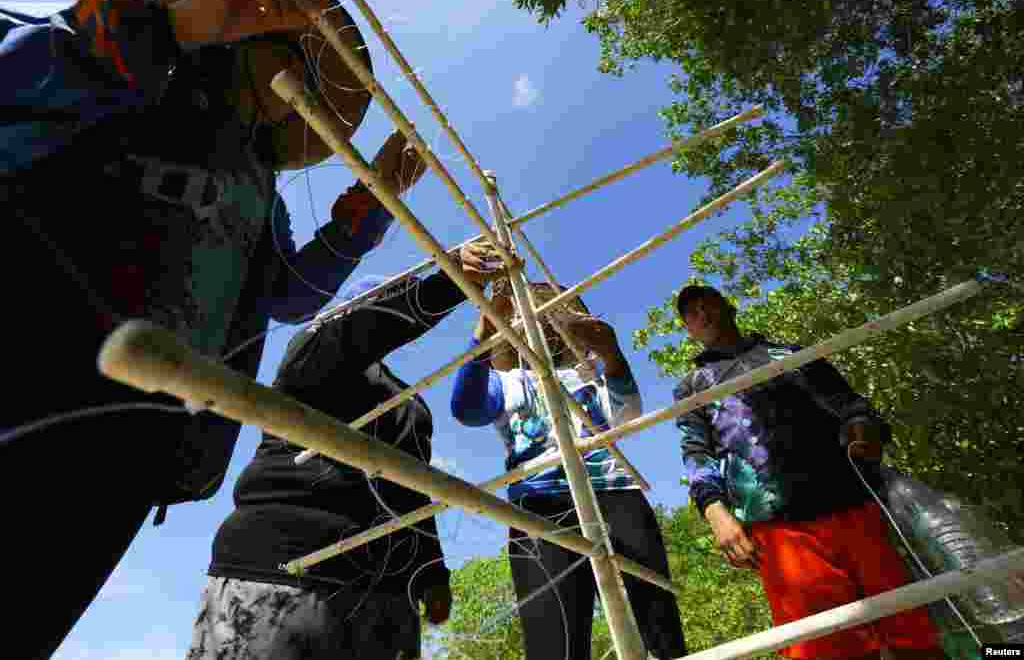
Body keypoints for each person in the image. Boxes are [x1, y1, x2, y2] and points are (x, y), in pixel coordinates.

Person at [0, 0, 427, 657]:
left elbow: (285, 294)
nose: (305, 85)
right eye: (293, 52)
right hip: (26, 377)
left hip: (138, 443)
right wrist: (170, 30)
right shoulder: (125, 63)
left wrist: (365, 211)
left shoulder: (260, 184)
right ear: (242, 33)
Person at [186, 240, 505, 660]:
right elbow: (361, 330)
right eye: (387, 299)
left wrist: (431, 574)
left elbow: (411, 486)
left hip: (386, 593)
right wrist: (448, 284)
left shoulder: (408, 403)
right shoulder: (313, 349)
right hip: (280, 569)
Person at [673, 284, 943, 660]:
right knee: (825, 648)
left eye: (708, 304)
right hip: (780, 528)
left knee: (912, 634)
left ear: (728, 306)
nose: (702, 314)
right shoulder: (692, 388)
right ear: (689, 329)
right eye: (691, 313)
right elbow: (696, 453)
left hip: (854, 503)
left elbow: (852, 405)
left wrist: (863, 429)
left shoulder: (791, 354)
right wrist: (717, 514)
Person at [450, 280, 688, 660]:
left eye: (552, 314)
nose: (541, 322)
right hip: (539, 504)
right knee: (553, 638)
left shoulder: (588, 378)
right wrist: (483, 330)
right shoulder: (507, 381)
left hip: (614, 494)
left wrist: (611, 354)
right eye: (528, 315)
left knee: (659, 623)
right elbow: (466, 408)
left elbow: (626, 414)